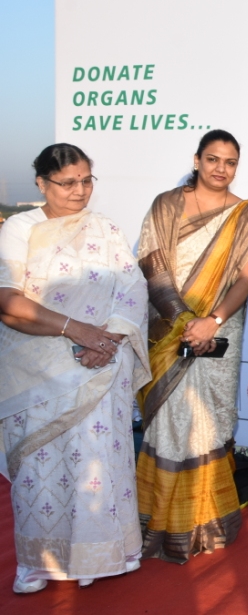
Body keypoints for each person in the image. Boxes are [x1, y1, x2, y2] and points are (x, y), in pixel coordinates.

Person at [0, 144, 151, 593]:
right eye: (68, 182)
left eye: (86, 180)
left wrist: (109, 339)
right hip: (37, 368)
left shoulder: (105, 228)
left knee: (96, 465)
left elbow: (133, 288)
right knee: (38, 468)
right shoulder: (20, 228)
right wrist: (76, 330)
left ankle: (98, 555)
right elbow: (8, 300)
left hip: (101, 365)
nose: (79, 190)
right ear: (41, 182)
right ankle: (36, 562)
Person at [135, 130, 248, 563]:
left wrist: (211, 322)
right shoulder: (166, 205)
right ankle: (159, 522)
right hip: (169, 331)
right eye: (213, 159)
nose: (221, 169)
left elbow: (245, 279)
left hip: (219, 330)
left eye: (230, 162)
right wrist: (184, 321)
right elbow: (152, 265)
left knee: (208, 423)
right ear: (197, 160)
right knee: (167, 425)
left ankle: (204, 523)